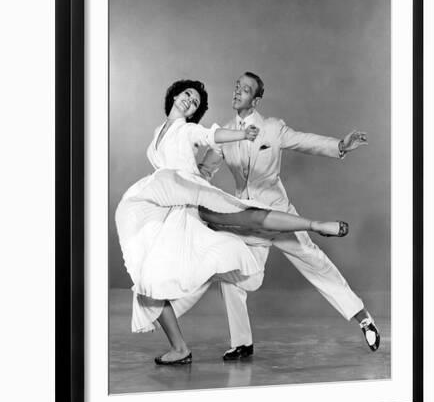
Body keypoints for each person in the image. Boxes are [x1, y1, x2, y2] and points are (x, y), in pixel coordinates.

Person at [115, 79, 350, 365]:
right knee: (146, 282)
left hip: (189, 199)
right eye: (187, 95)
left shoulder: (189, 129)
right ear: (175, 95)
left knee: (246, 213)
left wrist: (240, 136)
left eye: (196, 102)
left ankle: (315, 226)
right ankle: (180, 348)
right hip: (166, 204)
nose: (190, 101)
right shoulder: (157, 133)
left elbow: (212, 136)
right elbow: (203, 163)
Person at [198, 72, 380, 360]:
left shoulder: (272, 128)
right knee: (231, 275)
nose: (237, 92)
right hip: (247, 221)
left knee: (317, 264)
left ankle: (364, 319)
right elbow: (205, 172)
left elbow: (305, 141)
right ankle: (242, 343)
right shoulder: (225, 134)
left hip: (280, 216)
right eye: (237, 87)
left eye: (245, 90)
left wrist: (340, 146)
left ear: (256, 99)